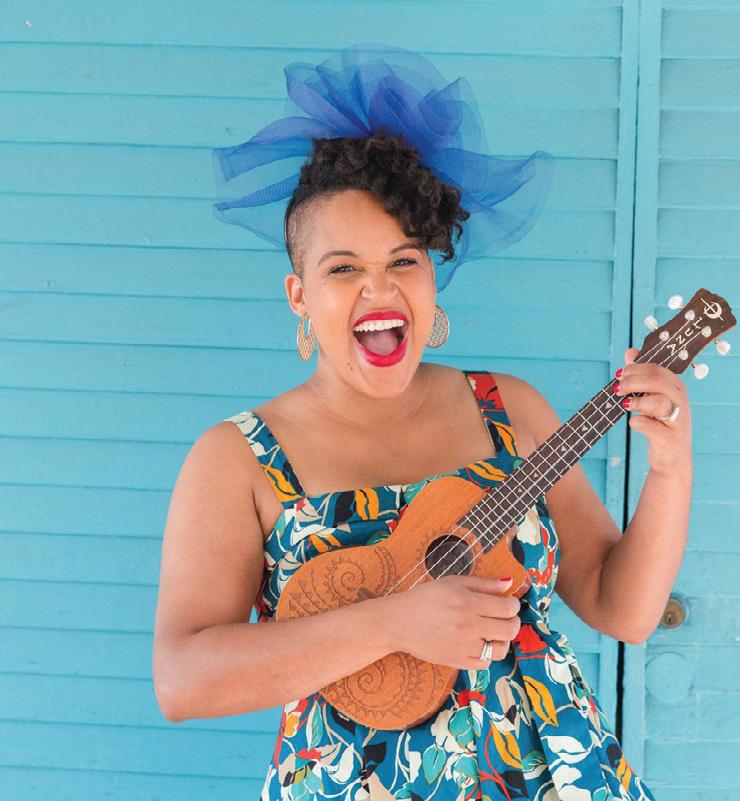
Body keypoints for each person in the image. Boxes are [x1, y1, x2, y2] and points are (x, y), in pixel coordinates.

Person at [153, 46, 691, 801]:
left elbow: (622, 608)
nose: (379, 289)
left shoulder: (510, 410)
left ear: (433, 277)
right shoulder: (238, 457)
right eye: (343, 268)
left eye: (404, 261)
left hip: (554, 776)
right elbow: (183, 680)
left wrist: (670, 466)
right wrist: (395, 622)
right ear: (299, 295)